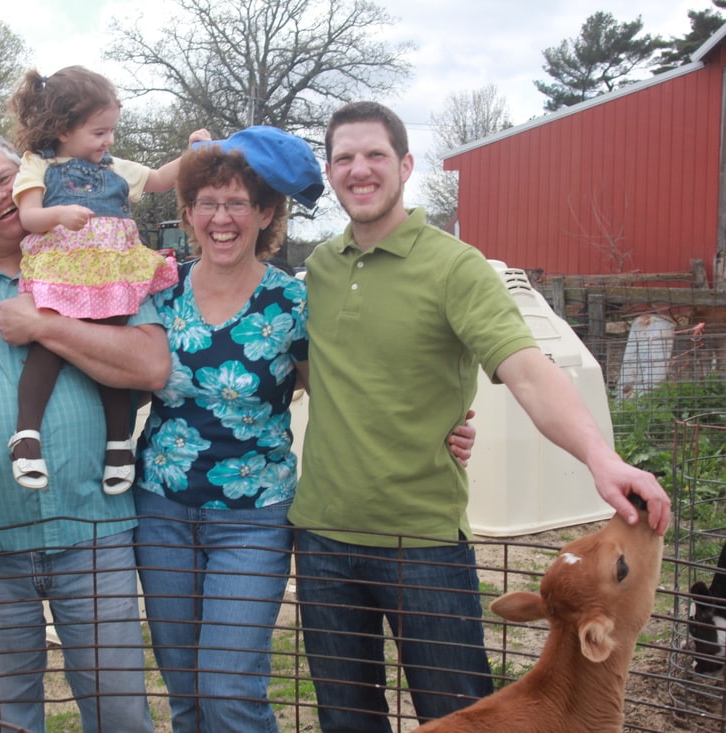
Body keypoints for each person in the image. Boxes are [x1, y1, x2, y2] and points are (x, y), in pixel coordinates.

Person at [288, 100, 672, 732]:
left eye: (375, 155)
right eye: (344, 158)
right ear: (330, 173)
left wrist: (601, 458)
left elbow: (526, 369)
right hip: (323, 538)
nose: (360, 169)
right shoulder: (321, 270)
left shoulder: (455, 267)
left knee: (465, 717)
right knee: (346, 720)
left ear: (406, 164)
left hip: (425, 544)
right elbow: (322, 375)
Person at [0, 128, 167, 733]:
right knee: (0, 717)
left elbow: (150, 366)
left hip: (95, 531)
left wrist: (44, 325)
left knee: (119, 713)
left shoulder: (101, 258)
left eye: (6, 180)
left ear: (33, 177)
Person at [130, 126, 319, 732]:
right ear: (187, 213)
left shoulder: (291, 303)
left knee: (230, 690)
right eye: (207, 202)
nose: (222, 217)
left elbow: (341, 394)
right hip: (161, 507)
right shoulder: (161, 293)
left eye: (238, 202)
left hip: (254, 514)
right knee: (185, 691)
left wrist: (438, 431)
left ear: (266, 212)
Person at [6, 65, 208, 494]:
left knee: (112, 362)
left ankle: (119, 445)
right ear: (62, 129)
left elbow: (157, 180)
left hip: (110, 276)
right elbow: (28, 216)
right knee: (47, 352)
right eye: (99, 132)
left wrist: (191, 154)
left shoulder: (117, 167)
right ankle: (26, 435)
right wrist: (59, 216)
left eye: (111, 130)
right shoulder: (38, 165)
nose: (108, 141)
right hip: (62, 273)